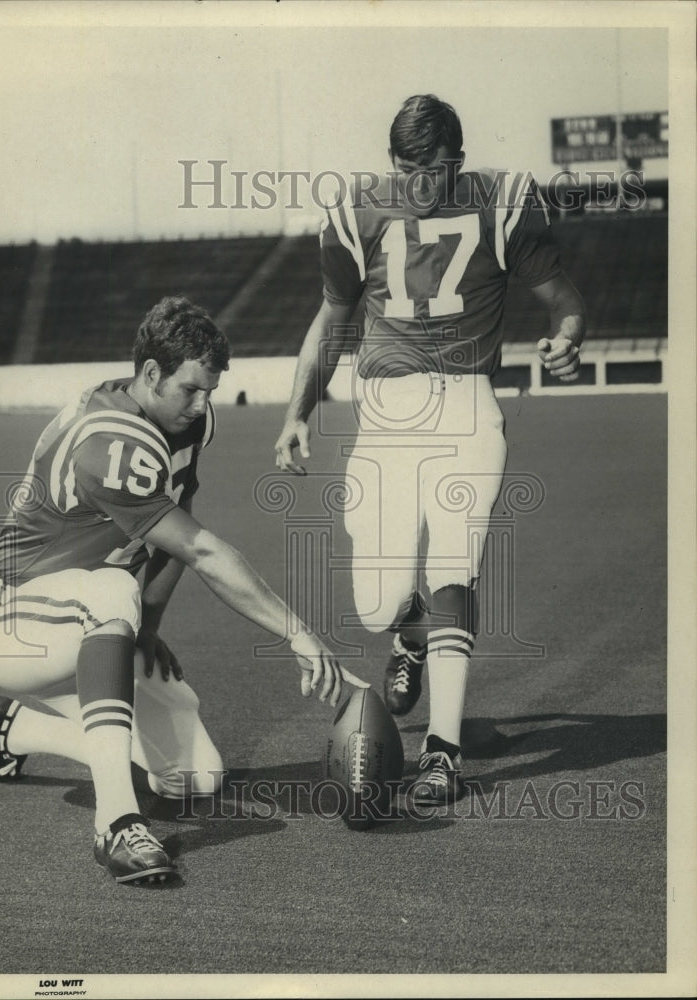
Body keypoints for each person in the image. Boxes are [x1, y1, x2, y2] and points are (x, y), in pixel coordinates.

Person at [0, 295, 366, 886]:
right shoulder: (110, 440)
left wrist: (148, 628)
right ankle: (116, 824)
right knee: (110, 592)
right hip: (14, 622)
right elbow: (200, 548)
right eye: (191, 389)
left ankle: (16, 728)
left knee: (193, 779)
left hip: (82, 621)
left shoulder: (183, 417)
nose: (204, 404)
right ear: (150, 374)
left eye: (211, 388)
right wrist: (298, 633)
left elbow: (181, 509)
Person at [275, 94, 586, 806]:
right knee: (376, 607)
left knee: (455, 569)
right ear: (392, 163)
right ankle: (411, 636)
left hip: (467, 403)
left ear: (461, 163)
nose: (423, 185)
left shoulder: (503, 202)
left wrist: (568, 337)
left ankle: (442, 752)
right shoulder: (355, 210)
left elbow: (564, 299)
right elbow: (331, 320)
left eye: (439, 170)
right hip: (383, 413)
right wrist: (298, 413)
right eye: (410, 170)